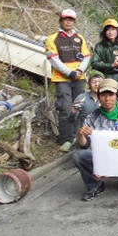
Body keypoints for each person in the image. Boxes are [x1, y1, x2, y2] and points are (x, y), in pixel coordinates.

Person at [73, 79, 118, 201]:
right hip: (101, 155)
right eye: (103, 95)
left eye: (111, 95)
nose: (107, 99)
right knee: (79, 155)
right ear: (99, 96)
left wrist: (106, 167)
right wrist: (81, 134)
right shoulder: (93, 116)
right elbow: (85, 144)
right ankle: (94, 185)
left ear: (117, 96)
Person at [45, 8, 91, 149]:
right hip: (62, 78)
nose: (68, 22)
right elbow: (53, 59)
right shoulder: (52, 38)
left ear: (74, 21)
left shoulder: (79, 38)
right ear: (61, 20)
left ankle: (78, 137)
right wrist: (69, 72)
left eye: (71, 19)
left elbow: (86, 56)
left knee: (80, 107)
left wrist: (79, 70)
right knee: (65, 108)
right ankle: (65, 139)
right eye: (66, 19)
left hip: (79, 78)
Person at [91, 18, 118, 102]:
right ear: (104, 32)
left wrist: (108, 68)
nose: (110, 32)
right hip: (107, 85)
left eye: (113, 29)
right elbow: (94, 63)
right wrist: (111, 65)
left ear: (117, 31)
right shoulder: (100, 46)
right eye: (108, 30)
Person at [67, 71, 104, 151]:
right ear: (89, 84)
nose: (97, 84)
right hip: (85, 134)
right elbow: (71, 120)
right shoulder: (82, 98)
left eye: (99, 82)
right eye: (94, 82)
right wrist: (73, 112)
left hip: (103, 134)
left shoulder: (108, 98)